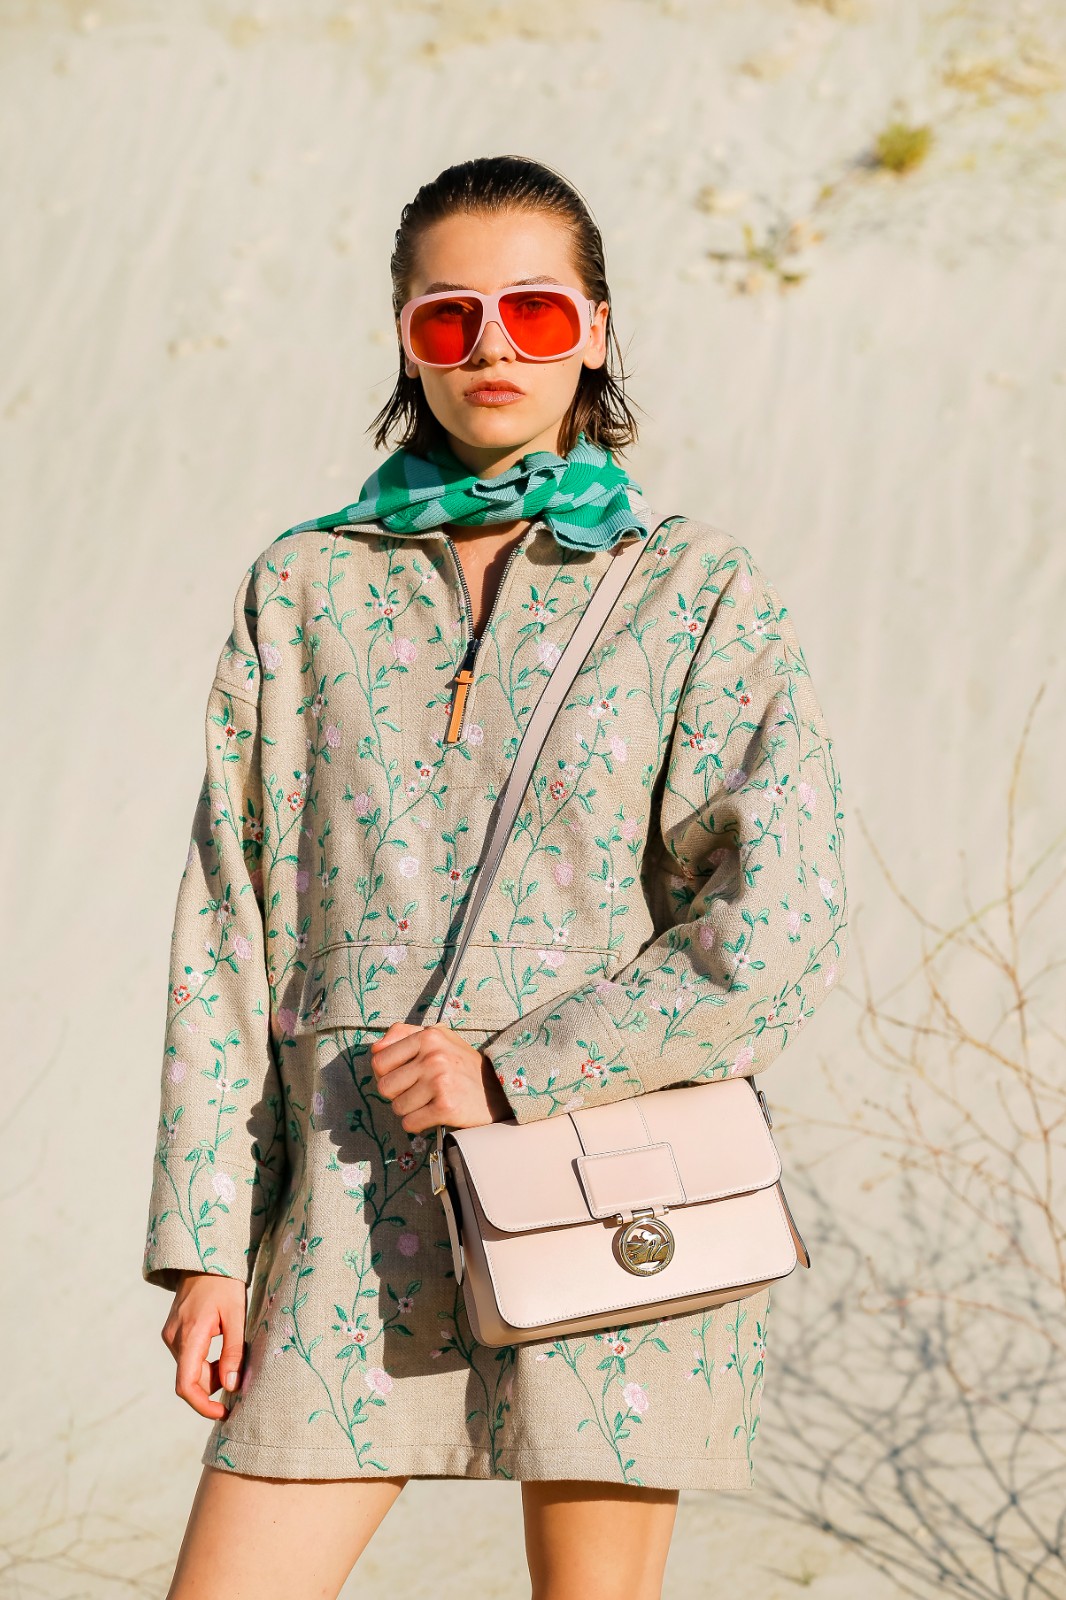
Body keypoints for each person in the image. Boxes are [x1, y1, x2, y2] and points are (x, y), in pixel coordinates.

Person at [143, 154, 849, 1600]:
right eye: (448, 316)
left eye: (533, 310)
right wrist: (208, 1245)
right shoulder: (305, 587)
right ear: (405, 338)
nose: (492, 347)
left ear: (595, 328)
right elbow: (228, 923)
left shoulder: (693, 588)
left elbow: (777, 920)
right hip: (343, 1191)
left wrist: (518, 1073)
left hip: (604, 1181)